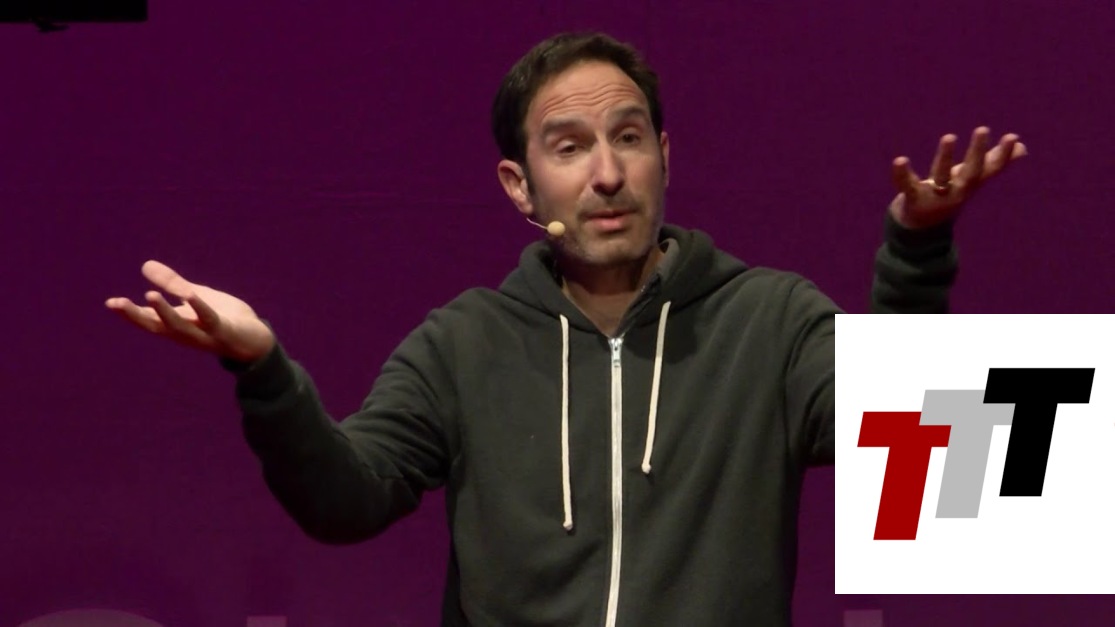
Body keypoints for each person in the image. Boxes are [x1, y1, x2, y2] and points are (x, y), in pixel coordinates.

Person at [106, 32, 1026, 627]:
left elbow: (908, 439)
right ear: (520, 185)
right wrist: (263, 368)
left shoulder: (770, 319)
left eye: (628, 137)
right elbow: (344, 502)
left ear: (664, 155)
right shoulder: (462, 343)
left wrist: (915, 249)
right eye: (569, 146)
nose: (607, 173)